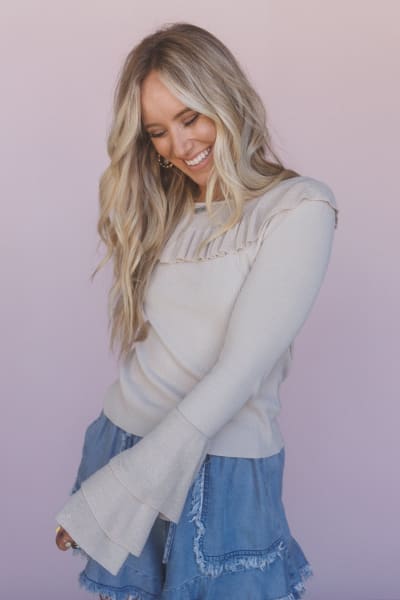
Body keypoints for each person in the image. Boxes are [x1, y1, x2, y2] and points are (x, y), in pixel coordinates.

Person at [55, 21, 339, 600]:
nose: (180, 147)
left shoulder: (298, 207)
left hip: (217, 468)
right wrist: (117, 475)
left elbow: (238, 373)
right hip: (127, 439)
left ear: (227, 99)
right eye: (158, 132)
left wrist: (118, 492)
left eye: (191, 118)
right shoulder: (168, 208)